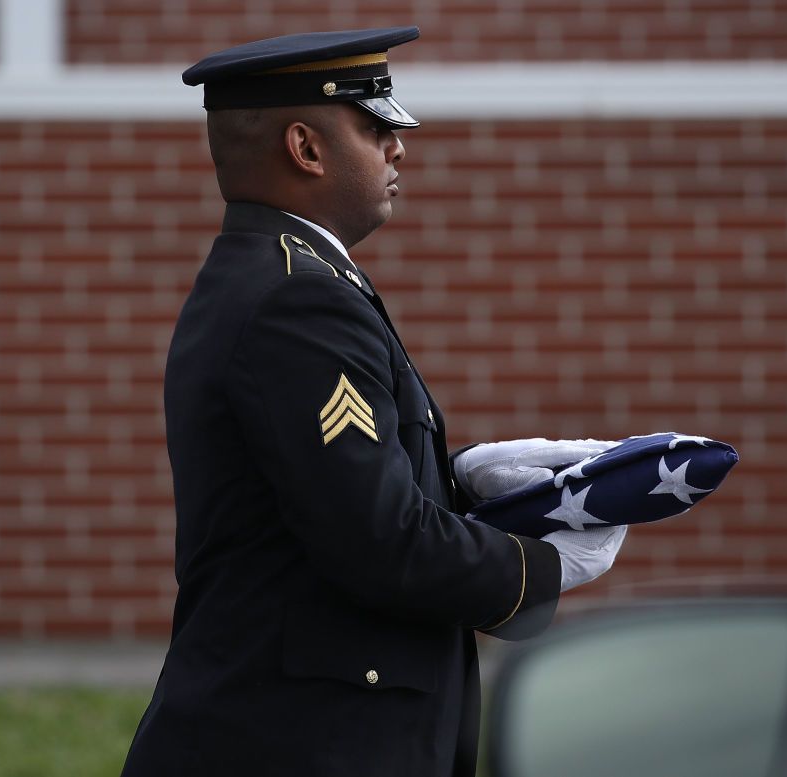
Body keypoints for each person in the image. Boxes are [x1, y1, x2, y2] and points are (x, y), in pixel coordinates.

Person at [120, 27, 625, 777]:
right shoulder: (298, 299)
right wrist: (541, 567)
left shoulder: (285, 280)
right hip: (301, 747)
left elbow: (329, 500)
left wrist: (459, 484)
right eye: (374, 124)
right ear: (307, 148)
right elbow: (381, 539)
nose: (397, 146)